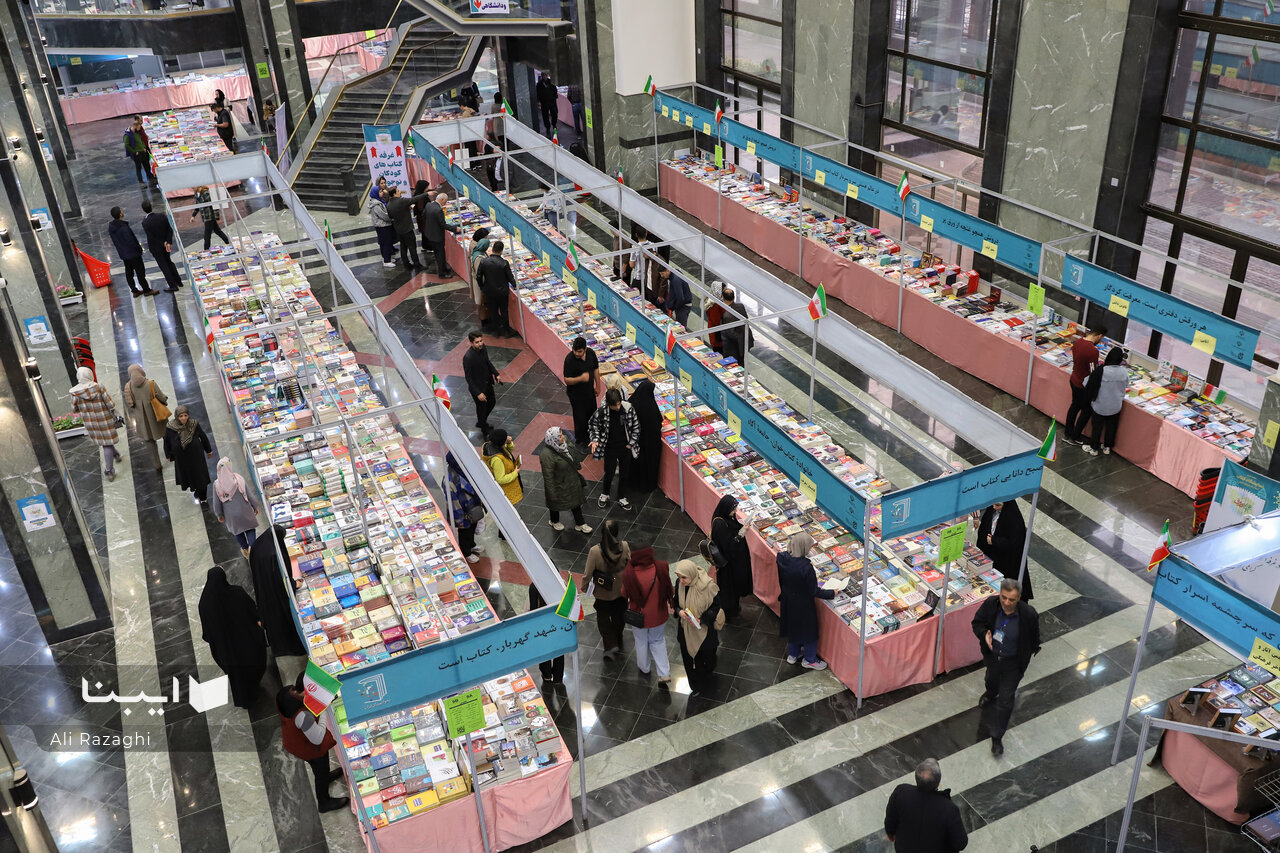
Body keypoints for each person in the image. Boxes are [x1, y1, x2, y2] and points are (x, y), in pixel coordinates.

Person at [971, 578, 1040, 756]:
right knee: (991, 680)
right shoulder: (990, 605)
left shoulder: (1028, 614)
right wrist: (984, 635)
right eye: (1004, 597)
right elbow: (977, 623)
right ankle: (990, 692)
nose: (1007, 603)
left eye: (1012, 599)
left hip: (1013, 664)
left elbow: (1034, 638)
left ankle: (997, 737)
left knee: (1006, 701)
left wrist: (1026, 654)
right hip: (993, 658)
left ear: (1019, 598)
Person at [276, 675, 349, 813]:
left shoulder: (287, 691)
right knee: (320, 770)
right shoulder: (303, 715)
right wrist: (323, 708)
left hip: (293, 737)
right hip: (308, 747)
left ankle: (326, 776)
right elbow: (318, 738)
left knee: (322, 769)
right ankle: (324, 802)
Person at [198, 566, 266, 709]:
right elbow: (252, 610)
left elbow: (207, 633)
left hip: (225, 650)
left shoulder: (204, 604)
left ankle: (244, 698)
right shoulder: (236, 592)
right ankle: (254, 688)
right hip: (247, 641)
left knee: (237, 675)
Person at [777, 531, 838, 670]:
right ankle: (810, 659)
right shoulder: (806, 567)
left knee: (792, 627)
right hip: (803, 605)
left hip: (787, 600)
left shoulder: (781, 558)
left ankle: (792, 655)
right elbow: (813, 591)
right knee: (809, 632)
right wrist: (832, 593)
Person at [883, 758, 969, 853]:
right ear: (938, 782)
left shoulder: (901, 791)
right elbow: (961, 843)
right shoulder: (949, 809)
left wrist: (890, 832)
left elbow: (891, 818)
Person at [248, 525, 307, 656]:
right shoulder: (273, 554)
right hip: (275, 594)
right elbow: (280, 581)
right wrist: (293, 584)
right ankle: (290, 647)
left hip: (263, 587)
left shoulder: (259, 544)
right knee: (283, 617)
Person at [622, 542, 673, 684]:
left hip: (638, 617)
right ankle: (664, 673)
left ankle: (644, 668)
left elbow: (624, 593)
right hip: (659, 615)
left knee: (641, 641)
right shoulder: (662, 566)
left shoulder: (629, 573)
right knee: (658, 640)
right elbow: (669, 589)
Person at [672, 559, 724, 689]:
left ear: (692, 574)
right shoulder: (679, 584)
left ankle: (706, 678)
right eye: (679, 577)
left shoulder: (707, 586)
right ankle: (695, 684)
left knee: (707, 658)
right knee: (689, 660)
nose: (681, 581)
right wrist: (679, 612)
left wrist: (702, 619)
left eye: (684, 577)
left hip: (705, 631)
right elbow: (676, 602)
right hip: (685, 629)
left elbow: (716, 607)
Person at [587, 388, 640, 511]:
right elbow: (593, 424)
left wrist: (631, 443)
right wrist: (595, 439)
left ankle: (621, 497)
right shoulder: (601, 412)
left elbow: (636, 426)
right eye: (615, 405)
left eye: (619, 403)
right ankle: (605, 494)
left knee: (624, 473)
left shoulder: (628, 408)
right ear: (609, 404)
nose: (618, 407)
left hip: (625, 447)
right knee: (609, 472)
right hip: (610, 448)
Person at [69, 366, 123, 482]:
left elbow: (74, 409)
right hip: (105, 420)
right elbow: (110, 404)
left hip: (91, 423)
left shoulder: (75, 393)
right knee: (107, 444)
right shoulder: (99, 387)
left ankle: (115, 454)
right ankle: (109, 470)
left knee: (105, 442)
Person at [586, 520, 630, 659]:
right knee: (619, 616)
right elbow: (630, 566)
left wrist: (586, 588)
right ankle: (618, 637)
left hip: (602, 592)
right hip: (621, 591)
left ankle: (610, 645)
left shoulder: (595, 551)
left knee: (603, 619)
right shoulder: (625, 546)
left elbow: (588, 573)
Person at [973, 500, 1033, 601]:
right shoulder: (991, 511)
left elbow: (1015, 543)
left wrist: (994, 540)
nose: (994, 507)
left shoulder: (1014, 519)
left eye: (997, 505)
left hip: (1007, 562)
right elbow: (984, 529)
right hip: (992, 555)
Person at [538, 426, 592, 533]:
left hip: (571, 479)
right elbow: (548, 477)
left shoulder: (565, 443)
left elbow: (574, 456)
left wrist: (569, 448)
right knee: (555, 503)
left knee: (575, 502)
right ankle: (554, 521)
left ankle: (580, 523)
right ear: (553, 439)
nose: (563, 437)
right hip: (559, 484)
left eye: (562, 434)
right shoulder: (546, 455)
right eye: (560, 436)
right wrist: (551, 493)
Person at [710, 495, 752, 621]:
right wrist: (741, 533)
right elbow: (728, 546)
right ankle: (728, 612)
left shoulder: (726, 519)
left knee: (733, 588)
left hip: (733, 562)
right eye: (733, 509)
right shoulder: (720, 524)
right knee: (728, 589)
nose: (735, 512)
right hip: (728, 564)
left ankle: (733, 608)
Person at [209, 457, 261, 557]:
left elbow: (216, 503)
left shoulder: (217, 485)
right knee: (250, 528)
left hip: (231, 515)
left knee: (237, 532)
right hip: (245, 510)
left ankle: (245, 550)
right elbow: (249, 495)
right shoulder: (238, 479)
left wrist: (219, 514)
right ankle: (252, 548)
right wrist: (255, 506)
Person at [1082, 347, 1128, 457]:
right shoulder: (1124, 371)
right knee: (1112, 427)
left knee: (1097, 427)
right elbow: (1126, 385)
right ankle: (1107, 447)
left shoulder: (1101, 370)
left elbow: (1086, 383)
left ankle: (1094, 448)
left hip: (1100, 404)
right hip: (1116, 405)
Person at [122, 363, 168, 470]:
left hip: (142, 420)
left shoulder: (128, 387)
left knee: (149, 441)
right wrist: (165, 400)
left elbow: (130, 404)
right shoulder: (150, 383)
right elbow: (161, 397)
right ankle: (170, 453)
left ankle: (157, 464)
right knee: (166, 433)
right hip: (156, 416)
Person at [163, 404, 213, 502]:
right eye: (181, 416)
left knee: (200, 476)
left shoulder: (194, 424)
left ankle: (203, 498)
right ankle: (197, 491)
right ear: (177, 417)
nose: (183, 418)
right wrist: (168, 455)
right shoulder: (170, 427)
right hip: (182, 459)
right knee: (190, 476)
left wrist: (208, 450)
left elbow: (203, 437)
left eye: (185, 415)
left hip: (196, 456)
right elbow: (167, 442)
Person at [442, 452, 485, 563]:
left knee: (472, 528)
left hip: (472, 507)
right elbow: (453, 503)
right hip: (463, 512)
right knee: (465, 532)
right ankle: (466, 553)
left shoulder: (464, 470)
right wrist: (459, 520)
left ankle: (472, 545)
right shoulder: (450, 480)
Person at [1063, 328, 1104, 445]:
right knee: (1086, 410)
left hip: (1074, 379)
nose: (1101, 341)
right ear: (1099, 336)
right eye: (1101, 339)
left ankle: (1068, 433)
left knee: (1074, 407)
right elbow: (1092, 371)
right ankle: (1075, 436)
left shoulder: (1078, 342)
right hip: (1083, 384)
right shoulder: (1092, 351)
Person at [563, 336, 600, 447]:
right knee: (580, 417)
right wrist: (580, 378)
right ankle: (581, 440)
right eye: (575, 351)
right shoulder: (569, 360)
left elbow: (596, 369)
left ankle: (592, 436)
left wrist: (598, 386)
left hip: (589, 392)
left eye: (579, 351)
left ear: (585, 349)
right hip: (576, 395)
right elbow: (567, 380)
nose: (576, 353)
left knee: (592, 414)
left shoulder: (591, 354)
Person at [108, 206, 153, 297]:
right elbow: (130, 240)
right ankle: (146, 290)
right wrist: (138, 249)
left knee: (129, 272)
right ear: (120, 214)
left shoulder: (112, 227)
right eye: (121, 211)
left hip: (124, 253)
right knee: (140, 271)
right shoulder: (123, 227)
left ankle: (134, 290)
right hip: (133, 253)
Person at [526, 582, 566, 684]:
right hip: (558, 622)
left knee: (543, 648)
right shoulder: (560, 583)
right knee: (559, 650)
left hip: (542, 624)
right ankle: (558, 677)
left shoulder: (534, 586)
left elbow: (533, 608)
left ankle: (547, 674)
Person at [476, 240, 518, 337]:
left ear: (493, 249)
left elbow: (479, 276)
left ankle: (496, 331)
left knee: (493, 311)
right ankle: (506, 331)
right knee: (504, 311)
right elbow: (510, 277)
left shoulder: (484, 261)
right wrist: (514, 285)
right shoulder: (504, 263)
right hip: (502, 292)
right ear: (501, 251)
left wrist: (482, 287)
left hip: (489, 291)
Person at [462, 331, 501, 435]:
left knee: (492, 402)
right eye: (477, 342)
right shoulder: (468, 358)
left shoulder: (483, 348)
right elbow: (469, 378)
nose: (480, 344)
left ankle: (481, 421)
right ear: (471, 343)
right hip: (478, 388)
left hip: (487, 383)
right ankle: (484, 428)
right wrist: (478, 393)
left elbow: (487, 362)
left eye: (481, 341)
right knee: (481, 408)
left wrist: (496, 373)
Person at [628, 379, 663, 492]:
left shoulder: (632, 401)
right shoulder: (650, 407)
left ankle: (633, 482)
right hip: (648, 443)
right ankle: (646, 485)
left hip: (634, 441)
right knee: (648, 464)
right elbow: (657, 423)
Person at [140, 200, 183, 292]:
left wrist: (162, 243)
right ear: (151, 207)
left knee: (164, 266)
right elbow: (169, 229)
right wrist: (168, 242)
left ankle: (173, 286)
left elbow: (151, 237)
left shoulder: (145, 222)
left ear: (143, 210)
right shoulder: (162, 216)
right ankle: (178, 281)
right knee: (169, 262)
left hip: (156, 248)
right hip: (166, 245)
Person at [385, 185, 429, 270]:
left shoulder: (389, 204)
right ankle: (417, 264)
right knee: (412, 247)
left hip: (398, 229)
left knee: (403, 247)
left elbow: (391, 216)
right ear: (394, 194)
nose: (400, 192)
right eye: (398, 191)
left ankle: (406, 263)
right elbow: (414, 199)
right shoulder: (401, 201)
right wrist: (426, 194)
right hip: (407, 229)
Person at [420, 192, 458, 277]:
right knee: (440, 254)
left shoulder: (429, 205)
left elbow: (424, 215)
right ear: (442, 200)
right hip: (437, 236)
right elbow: (443, 225)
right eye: (445, 201)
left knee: (439, 253)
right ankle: (442, 273)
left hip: (429, 233)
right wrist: (455, 228)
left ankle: (444, 268)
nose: (445, 203)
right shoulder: (439, 210)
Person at [481, 428, 523, 507]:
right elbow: (500, 479)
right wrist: (515, 473)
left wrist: (509, 443)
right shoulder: (497, 460)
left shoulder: (494, 446)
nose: (508, 437)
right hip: (506, 491)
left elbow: (507, 451)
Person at [192, 185, 230, 251]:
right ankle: (228, 242)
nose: (192, 189)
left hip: (210, 217)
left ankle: (206, 250)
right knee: (218, 231)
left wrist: (217, 218)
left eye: (193, 187)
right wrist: (193, 215)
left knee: (207, 235)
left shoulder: (206, 193)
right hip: (205, 217)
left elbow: (215, 205)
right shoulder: (197, 194)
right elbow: (197, 205)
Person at [123, 116, 157, 187]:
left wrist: (144, 147)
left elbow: (141, 140)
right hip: (137, 153)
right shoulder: (128, 135)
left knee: (146, 165)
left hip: (142, 151)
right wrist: (134, 152)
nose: (140, 128)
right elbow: (127, 145)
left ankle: (150, 177)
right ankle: (141, 181)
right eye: (139, 127)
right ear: (135, 126)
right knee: (139, 167)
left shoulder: (137, 132)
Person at [720, 287, 750, 365]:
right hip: (743, 341)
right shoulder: (740, 306)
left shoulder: (727, 315)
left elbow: (730, 334)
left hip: (733, 346)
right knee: (741, 362)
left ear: (723, 298)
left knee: (732, 364)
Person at [369, 188, 396, 268]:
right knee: (386, 243)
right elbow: (384, 216)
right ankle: (387, 261)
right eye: (380, 192)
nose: (382, 193)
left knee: (383, 242)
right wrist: (391, 218)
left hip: (381, 225)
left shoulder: (378, 202)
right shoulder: (377, 205)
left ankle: (385, 258)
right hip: (383, 226)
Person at [468, 227, 492, 320]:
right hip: (480, 282)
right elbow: (479, 272)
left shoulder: (477, 248)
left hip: (479, 281)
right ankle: (484, 318)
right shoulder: (478, 255)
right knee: (481, 301)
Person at [660, 262, 693, 327]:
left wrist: (674, 307)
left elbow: (680, 298)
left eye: (662, 273)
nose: (662, 276)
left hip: (683, 307)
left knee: (681, 327)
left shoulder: (675, 280)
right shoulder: (674, 273)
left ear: (668, 271)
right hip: (682, 305)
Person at [705, 281, 726, 354]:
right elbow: (716, 321)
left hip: (717, 333)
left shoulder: (716, 300)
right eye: (724, 291)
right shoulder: (714, 305)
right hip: (717, 335)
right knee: (719, 354)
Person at [536, 71, 559, 136]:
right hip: (544, 102)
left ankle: (554, 125)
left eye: (545, 75)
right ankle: (547, 128)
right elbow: (537, 93)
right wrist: (538, 101)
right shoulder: (539, 84)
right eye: (543, 75)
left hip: (552, 102)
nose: (544, 77)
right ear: (542, 76)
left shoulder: (551, 82)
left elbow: (555, 90)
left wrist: (554, 96)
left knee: (554, 114)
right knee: (545, 116)